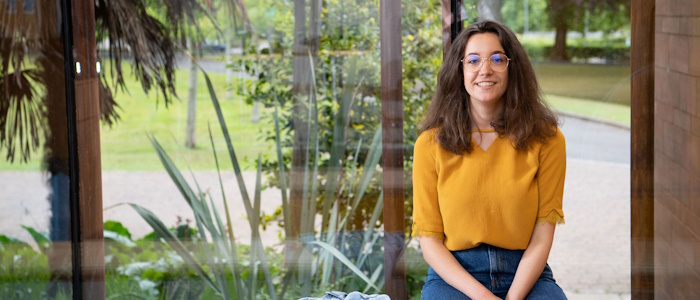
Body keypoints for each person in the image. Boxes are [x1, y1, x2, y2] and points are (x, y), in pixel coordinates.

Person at [412, 20, 567, 300]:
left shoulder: (547, 139)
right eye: (473, 60)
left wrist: (513, 298)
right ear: (459, 71)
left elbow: (543, 236)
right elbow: (430, 240)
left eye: (497, 58)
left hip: (526, 273)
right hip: (455, 276)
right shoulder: (430, 144)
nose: (485, 69)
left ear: (512, 68)